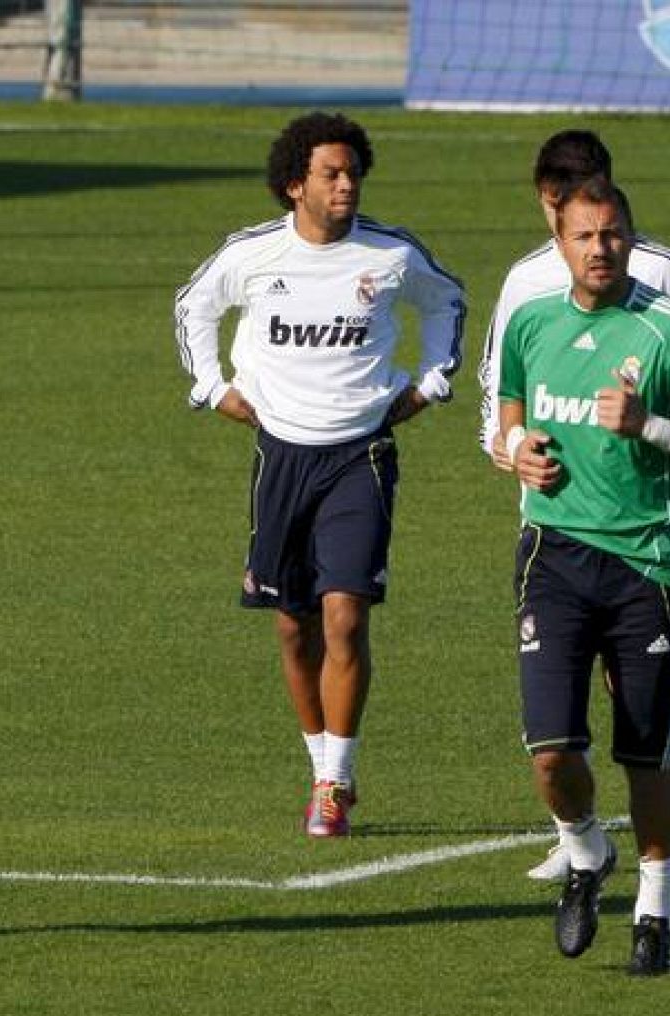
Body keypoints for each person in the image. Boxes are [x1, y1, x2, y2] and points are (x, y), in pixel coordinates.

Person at [172, 112, 465, 838]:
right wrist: (213, 388)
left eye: (353, 171)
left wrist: (431, 383)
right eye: (331, 173)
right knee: (291, 627)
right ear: (293, 183)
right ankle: (317, 760)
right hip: (281, 455)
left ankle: (336, 780)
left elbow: (448, 303)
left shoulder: (391, 254)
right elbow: (193, 307)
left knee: (345, 613)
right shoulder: (250, 254)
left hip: (360, 453)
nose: (347, 184)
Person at [498, 177, 670, 972]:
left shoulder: (669, 332)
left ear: (631, 237)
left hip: (646, 564)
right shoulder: (531, 323)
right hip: (553, 555)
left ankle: (655, 906)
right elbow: (510, 406)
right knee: (550, 751)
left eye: (612, 233)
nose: (599, 247)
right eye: (584, 235)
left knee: (643, 754)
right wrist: (518, 451)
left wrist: (651, 425)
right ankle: (584, 850)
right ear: (560, 242)